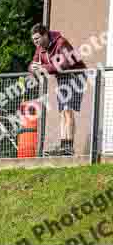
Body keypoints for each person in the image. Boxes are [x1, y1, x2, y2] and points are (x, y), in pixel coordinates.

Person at [29, 23, 87, 156]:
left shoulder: (61, 42)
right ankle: (63, 146)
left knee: (67, 110)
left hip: (75, 75)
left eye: (37, 39)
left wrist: (44, 68)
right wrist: (34, 68)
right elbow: (33, 64)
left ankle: (69, 146)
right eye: (33, 40)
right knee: (62, 111)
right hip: (62, 78)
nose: (35, 42)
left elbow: (65, 64)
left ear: (45, 35)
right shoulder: (40, 48)